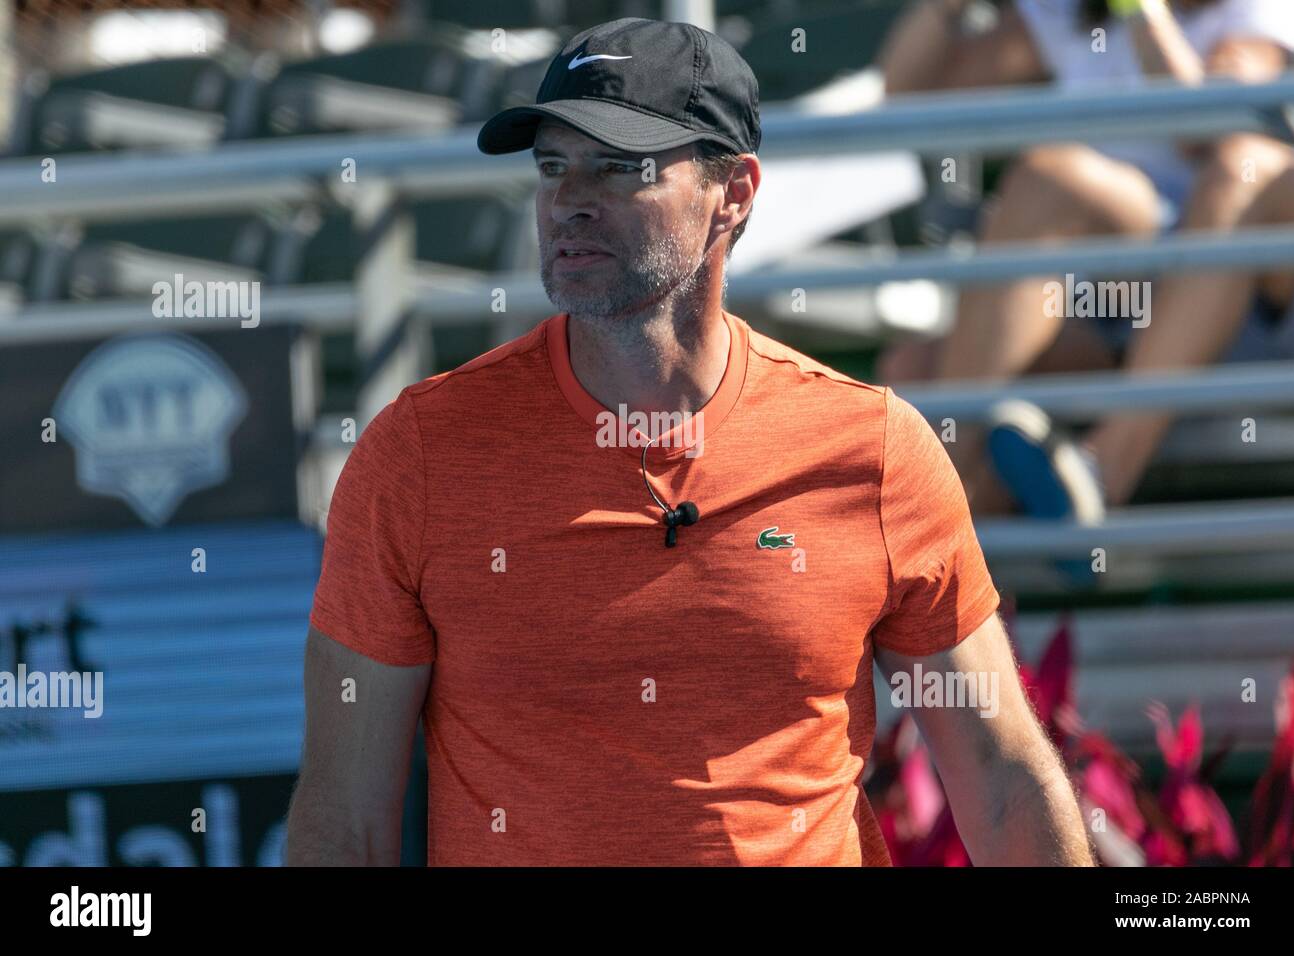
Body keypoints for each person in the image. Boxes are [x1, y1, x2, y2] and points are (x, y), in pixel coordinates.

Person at [286, 17, 1093, 866]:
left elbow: (1002, 779)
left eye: (620, 166)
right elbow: (345, 823)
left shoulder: (876, 449)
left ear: (734, 193)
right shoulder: (418, 454)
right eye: (553, 166)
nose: (570, 199)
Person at [875, 0, 1294, 518]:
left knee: (1059, 180)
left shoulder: (1258, 11)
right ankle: (978, 579)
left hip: (1228, 306)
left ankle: (953, 497)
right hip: (1109, 307)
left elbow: (1203, 129)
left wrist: (1140, 10)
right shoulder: (1068, 15)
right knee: (912, 371)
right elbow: (908, 98)